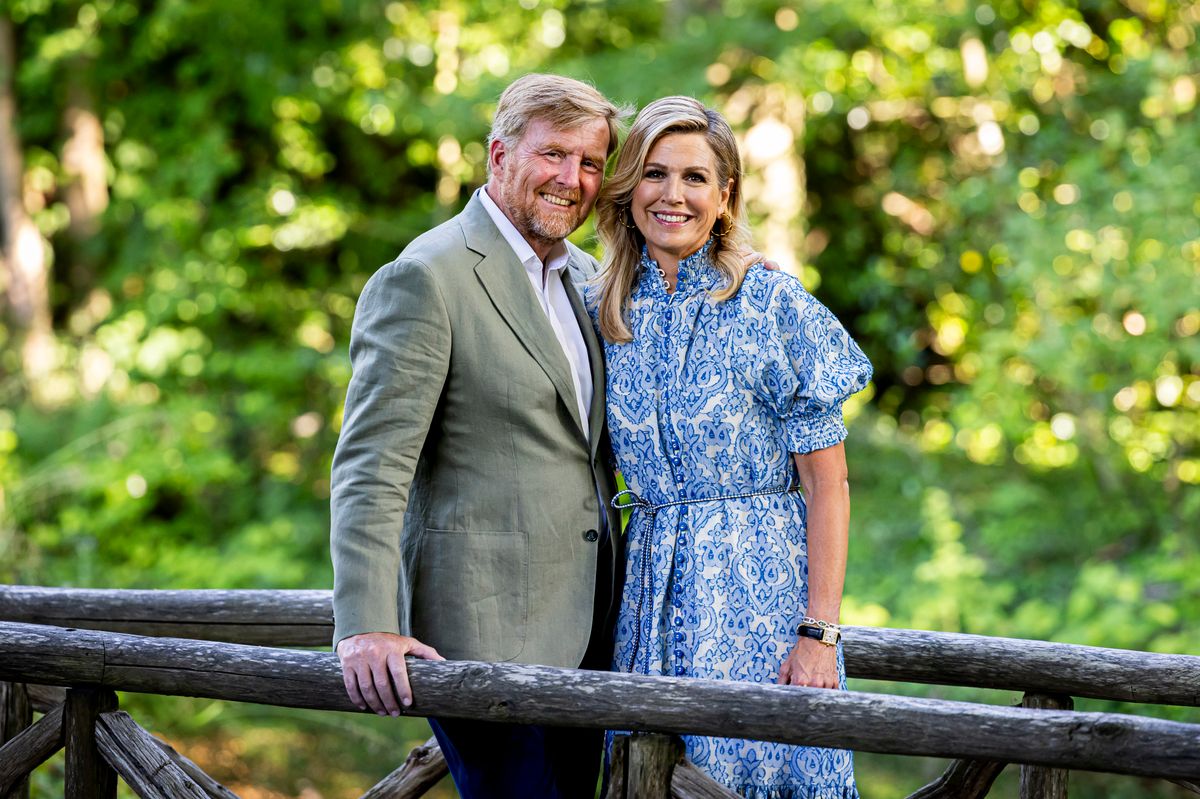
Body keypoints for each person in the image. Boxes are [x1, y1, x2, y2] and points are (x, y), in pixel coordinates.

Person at [329, 73, 629, 799]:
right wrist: (366, 622)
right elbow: (372, 466)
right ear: (499, 155)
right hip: (481, 634)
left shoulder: (590, 279)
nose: (572, 179)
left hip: (593, 632)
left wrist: (738, 264)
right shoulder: (426, 277)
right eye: (553, 154)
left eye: (590, 163)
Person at [587, 96, 871, 797]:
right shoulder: (601, 307)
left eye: (695, 177)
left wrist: (819, 635)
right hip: (645, 596)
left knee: (747, 774)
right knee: (647, 774)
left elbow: (828, 485)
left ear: (724, 196)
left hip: (758, 600)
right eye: (655, 173)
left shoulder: (772, 304)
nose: (672, 194)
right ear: (628, 187)